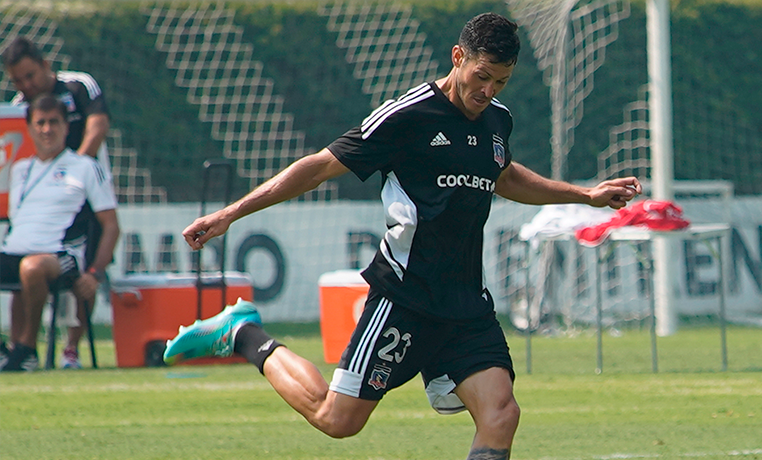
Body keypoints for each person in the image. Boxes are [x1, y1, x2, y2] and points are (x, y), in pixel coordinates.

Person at [164, 13, 641, 459]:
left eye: (501, 81)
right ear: (458, 58)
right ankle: (243, 333)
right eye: (482, 76)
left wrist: (584, 195)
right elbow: (318, 169)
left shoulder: (498, 119)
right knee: (337, 420)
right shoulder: (407, 116)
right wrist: (233, 212)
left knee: (502, 414)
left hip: (466, 304)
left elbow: (504, 175)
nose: (489, 90)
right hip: (406, 298)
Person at [1, 36, 117, 368]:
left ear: (45, 66)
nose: (26, 85)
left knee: (86, 274)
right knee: (22, 258)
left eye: (30, 76)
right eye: (18, 80)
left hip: (85, 196)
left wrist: (68, 175)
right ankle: (17, 347)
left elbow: (98, 126)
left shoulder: (79, 86)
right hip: (49, 198)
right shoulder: (20, 102)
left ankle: (72, 346)